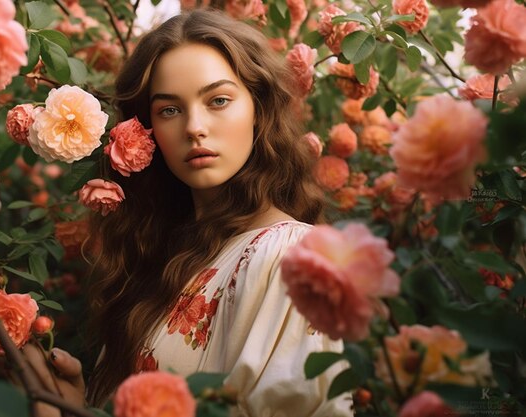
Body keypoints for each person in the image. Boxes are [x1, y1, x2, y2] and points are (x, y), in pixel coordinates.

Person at [24, 8, 352, 417]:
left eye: (218, 100)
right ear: (147, 132)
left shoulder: (292, 256)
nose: (195, 126)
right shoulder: (156, 260)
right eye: (169, 110)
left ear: (258, 109)